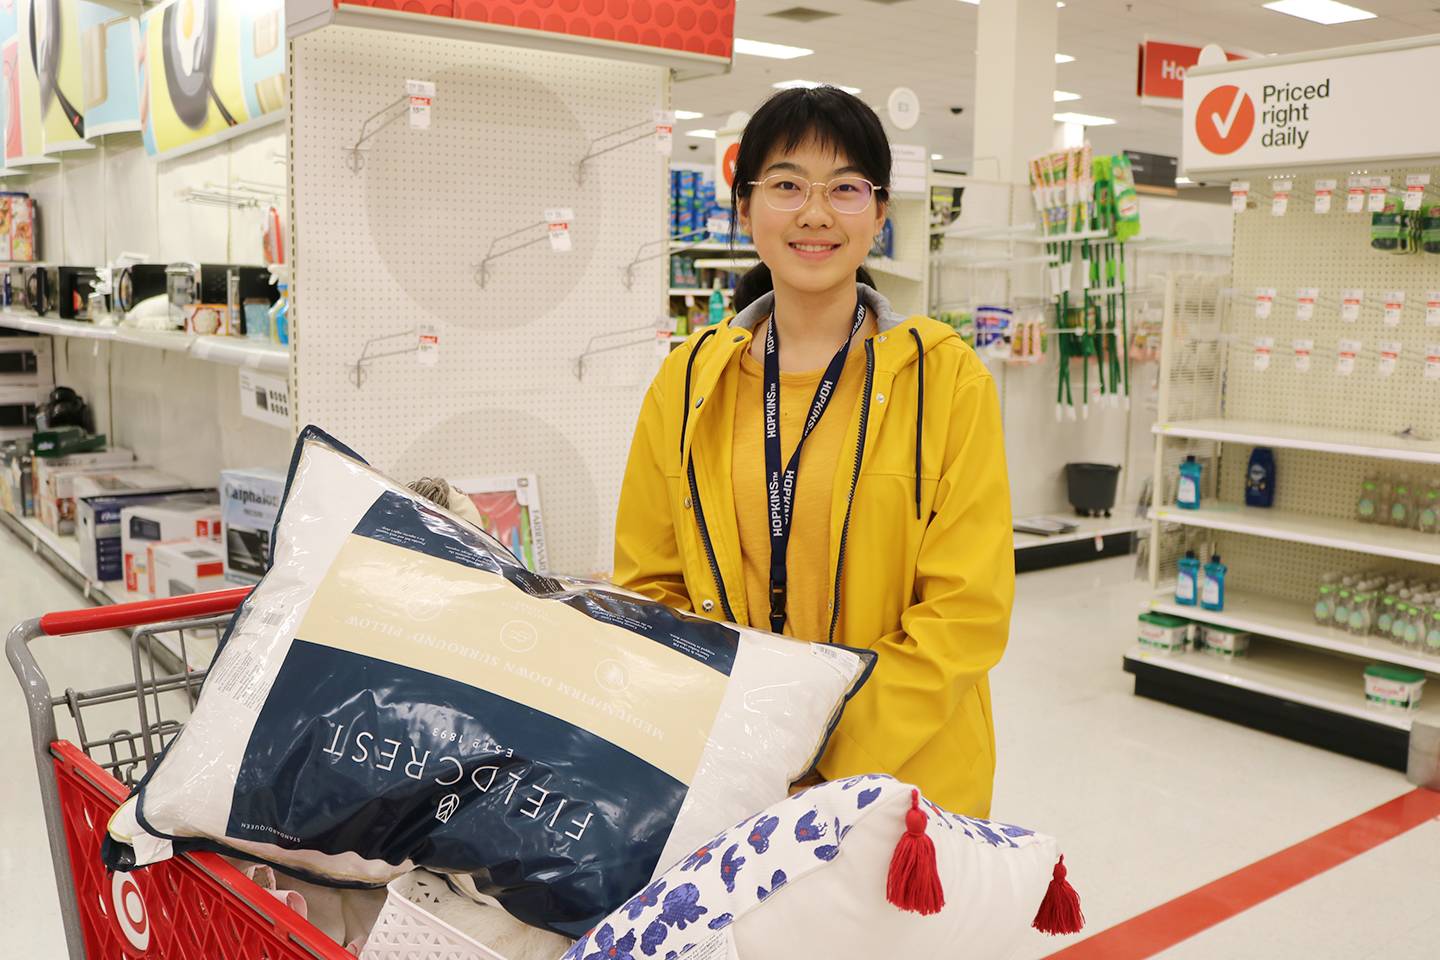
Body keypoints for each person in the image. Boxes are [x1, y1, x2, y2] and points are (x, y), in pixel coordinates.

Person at [612, 86, 1013, 817]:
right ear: (744, 209)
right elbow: (650, 585)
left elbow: (967, 610)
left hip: (903, 784)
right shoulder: (688, 379)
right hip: (733, 776)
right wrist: (738, 746)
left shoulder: (946, 378)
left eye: (847, 188)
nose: (816, 212)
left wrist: (820, 755)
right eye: (788, 185)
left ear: (881, 213)